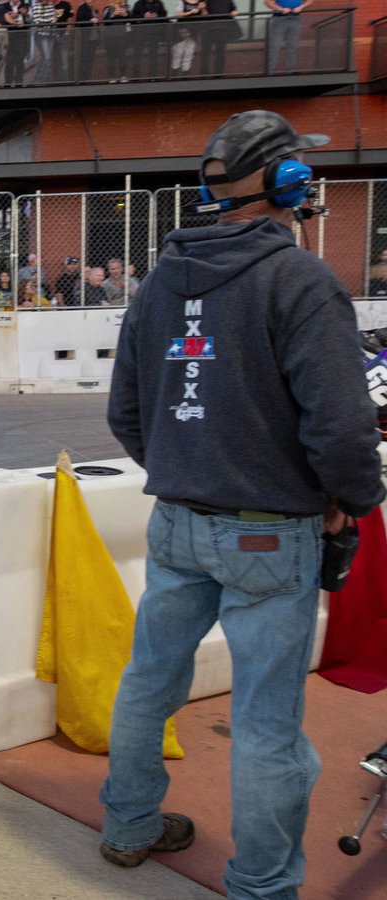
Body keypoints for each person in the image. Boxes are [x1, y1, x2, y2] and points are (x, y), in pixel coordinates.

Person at [102, 110, 384, 899]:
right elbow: (341, 425)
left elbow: (126, 414)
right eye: (300, 166)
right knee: (266, 725)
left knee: (148, 682)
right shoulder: (301, 280)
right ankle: (263, 886)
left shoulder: (159, 282)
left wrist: (190, 469)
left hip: (176, 523)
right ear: (288, 184)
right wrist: (348, 503)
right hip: (270, 535)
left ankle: (127, 827)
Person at [264, 0, 305, 73]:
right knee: (274, 46)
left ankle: (290, 71)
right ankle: (270, 71)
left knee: (293, 46)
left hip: (295, 19)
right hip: (280, 19)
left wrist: (301, 7)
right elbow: (268, 2)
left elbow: (310, 1)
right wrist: (280, 9)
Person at [198, 0, 238, 74]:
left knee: (220, 52)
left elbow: (234, 9)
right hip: (208, 30)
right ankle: (204, 72)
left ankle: (218, 73)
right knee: (205, 52)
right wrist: (202, 9)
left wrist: (235, 12)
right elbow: (201, 13)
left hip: (222, 29)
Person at [171, 0, 203, 73]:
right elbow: (177, 15)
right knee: (178, 51)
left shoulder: (200, 3)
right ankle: (175, 71)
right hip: (181, 31)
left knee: (189, 52)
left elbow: (204, 15)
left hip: (194, 31)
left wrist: (202, 8)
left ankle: (185, 72)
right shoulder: (182, 2)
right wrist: (191, 12)